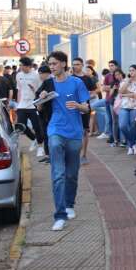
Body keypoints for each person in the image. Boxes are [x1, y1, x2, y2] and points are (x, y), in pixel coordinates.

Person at [37, 51, 90, 231]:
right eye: (50, 64)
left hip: (75, 133)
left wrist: (77, 105)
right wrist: (42, 99)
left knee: (71, 175)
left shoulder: (77, 82)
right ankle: (59, 215)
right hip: (55, 130)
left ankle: (69, 205)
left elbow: (86, 109)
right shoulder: (48, 83)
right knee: (58, 174)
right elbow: (38, 106)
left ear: (63, 64)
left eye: (54, 64)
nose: (51, 67)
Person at [16, 57, 45, 157]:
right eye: (20, 65)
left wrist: (34, 89)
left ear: (28, 66)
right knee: (21, 126)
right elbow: (19, 90)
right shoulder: (18, 75)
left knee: (37, 127)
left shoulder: (36, 75)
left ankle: (40, 147)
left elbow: (41, 91)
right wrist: (18, 103)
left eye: (22, 65)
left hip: (33, 104)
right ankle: (34, 139)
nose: (20, 67)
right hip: (22, 105)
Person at [71, 57, 98, 165]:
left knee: (84, 131)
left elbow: (95, 91)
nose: (75, 66)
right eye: (73, 64)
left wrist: (85, 97)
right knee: (73, 131)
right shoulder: (70, 78)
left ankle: (84, 155)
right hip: (72, 108)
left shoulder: (87, 78)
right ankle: (74, 154)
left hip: (84, 108)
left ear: (82, 65)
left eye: (77, 64)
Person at [118, 64, 136, 155]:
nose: (131, 72)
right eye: (130, 70)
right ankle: (132, 144)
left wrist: (125, 94)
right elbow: (120, 92)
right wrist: (128, 82)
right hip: (124, 106)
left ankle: (131, 146)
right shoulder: (125, 81)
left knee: (133, 126)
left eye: (133, 70)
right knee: (122, 126)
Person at [35, 65, 52, 163]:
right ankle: (47, 155)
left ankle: (50, 155)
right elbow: (38, 94)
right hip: (42, 112)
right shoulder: (44, 83)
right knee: (45, 134)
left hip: (48, 113)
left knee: (48, 134)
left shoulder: (50, 82)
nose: (40, 76)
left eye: (41, 73)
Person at [101, 60, 120, 144]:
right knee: (109, 120)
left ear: (116, 66)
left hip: (115, 101)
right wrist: (112, 87)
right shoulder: (107, 76)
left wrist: (110, 87)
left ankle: (116, 138)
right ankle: (111, 136)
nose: (110, 67)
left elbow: (119, 87)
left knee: (115, 120)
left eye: (112, 65)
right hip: (107, 100)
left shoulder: (118, 75)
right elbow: (103, 88)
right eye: (109, 66)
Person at [110, 69, 126, 147]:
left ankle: (123, 140)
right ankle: (115, 140)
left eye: (119, 74)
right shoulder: (114, 83)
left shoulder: (126, 81)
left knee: (122, 122)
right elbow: (110, 94)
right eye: (116, 75)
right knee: (115, 122)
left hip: (123, 104)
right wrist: (113, 89)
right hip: (113, 104)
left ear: (122, 74)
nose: (117, 76)